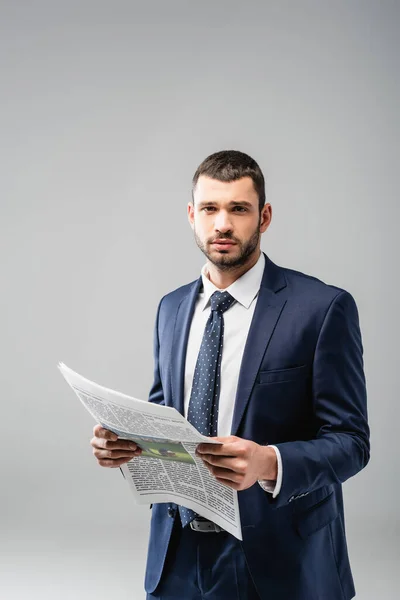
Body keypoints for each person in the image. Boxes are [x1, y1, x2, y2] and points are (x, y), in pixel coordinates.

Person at [90, 150, 370, 600]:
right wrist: (126, 447)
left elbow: (352, 442)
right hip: (176, 555)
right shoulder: (171, 308)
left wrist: (269, 462)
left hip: (282, 557)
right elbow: (165, 418)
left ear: (264, 216)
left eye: (238, 209)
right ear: (191, 215)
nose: (222, 224)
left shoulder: (322, 309)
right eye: (209, 209)